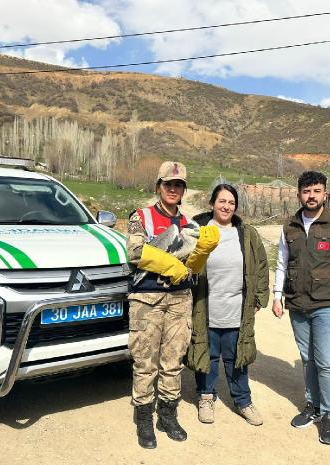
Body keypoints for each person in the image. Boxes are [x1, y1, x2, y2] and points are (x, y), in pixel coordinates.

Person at [126, 161, 219, 449]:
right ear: (159, 186)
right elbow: (135, 252)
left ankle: (168, 414)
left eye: (178, 185)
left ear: (183, 189)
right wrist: (168, 265)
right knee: (145, 361)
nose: (173, 189)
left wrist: (202, 253)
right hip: (147, 299)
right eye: (168, 184)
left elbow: (192, 268)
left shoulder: (189, 224)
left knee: (173, 361)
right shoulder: (141, 217)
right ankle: (144, 418)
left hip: (180, 299)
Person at [272, 171, 330, 445]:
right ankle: (313, 407)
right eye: (307, 191)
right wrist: (277, 295)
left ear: (325, 194)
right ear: (299, 194)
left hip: (327, 304)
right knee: (307, 358)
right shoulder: (290, 226)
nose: (312, 196)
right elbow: (282, 263)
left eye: (317, 191)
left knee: (325, 361)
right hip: (298, 303)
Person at [186, 184, 269, 426]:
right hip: (205, 307)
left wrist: (258, 300)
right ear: (212, 203)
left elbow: (262, 267)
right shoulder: (197, 231)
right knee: (207, 355)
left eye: (231, 203)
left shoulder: (247, 234)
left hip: (237, 309)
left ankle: (243, 401)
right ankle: (205, 397)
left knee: (237, 358)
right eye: (222, 201)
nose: (226, 206)